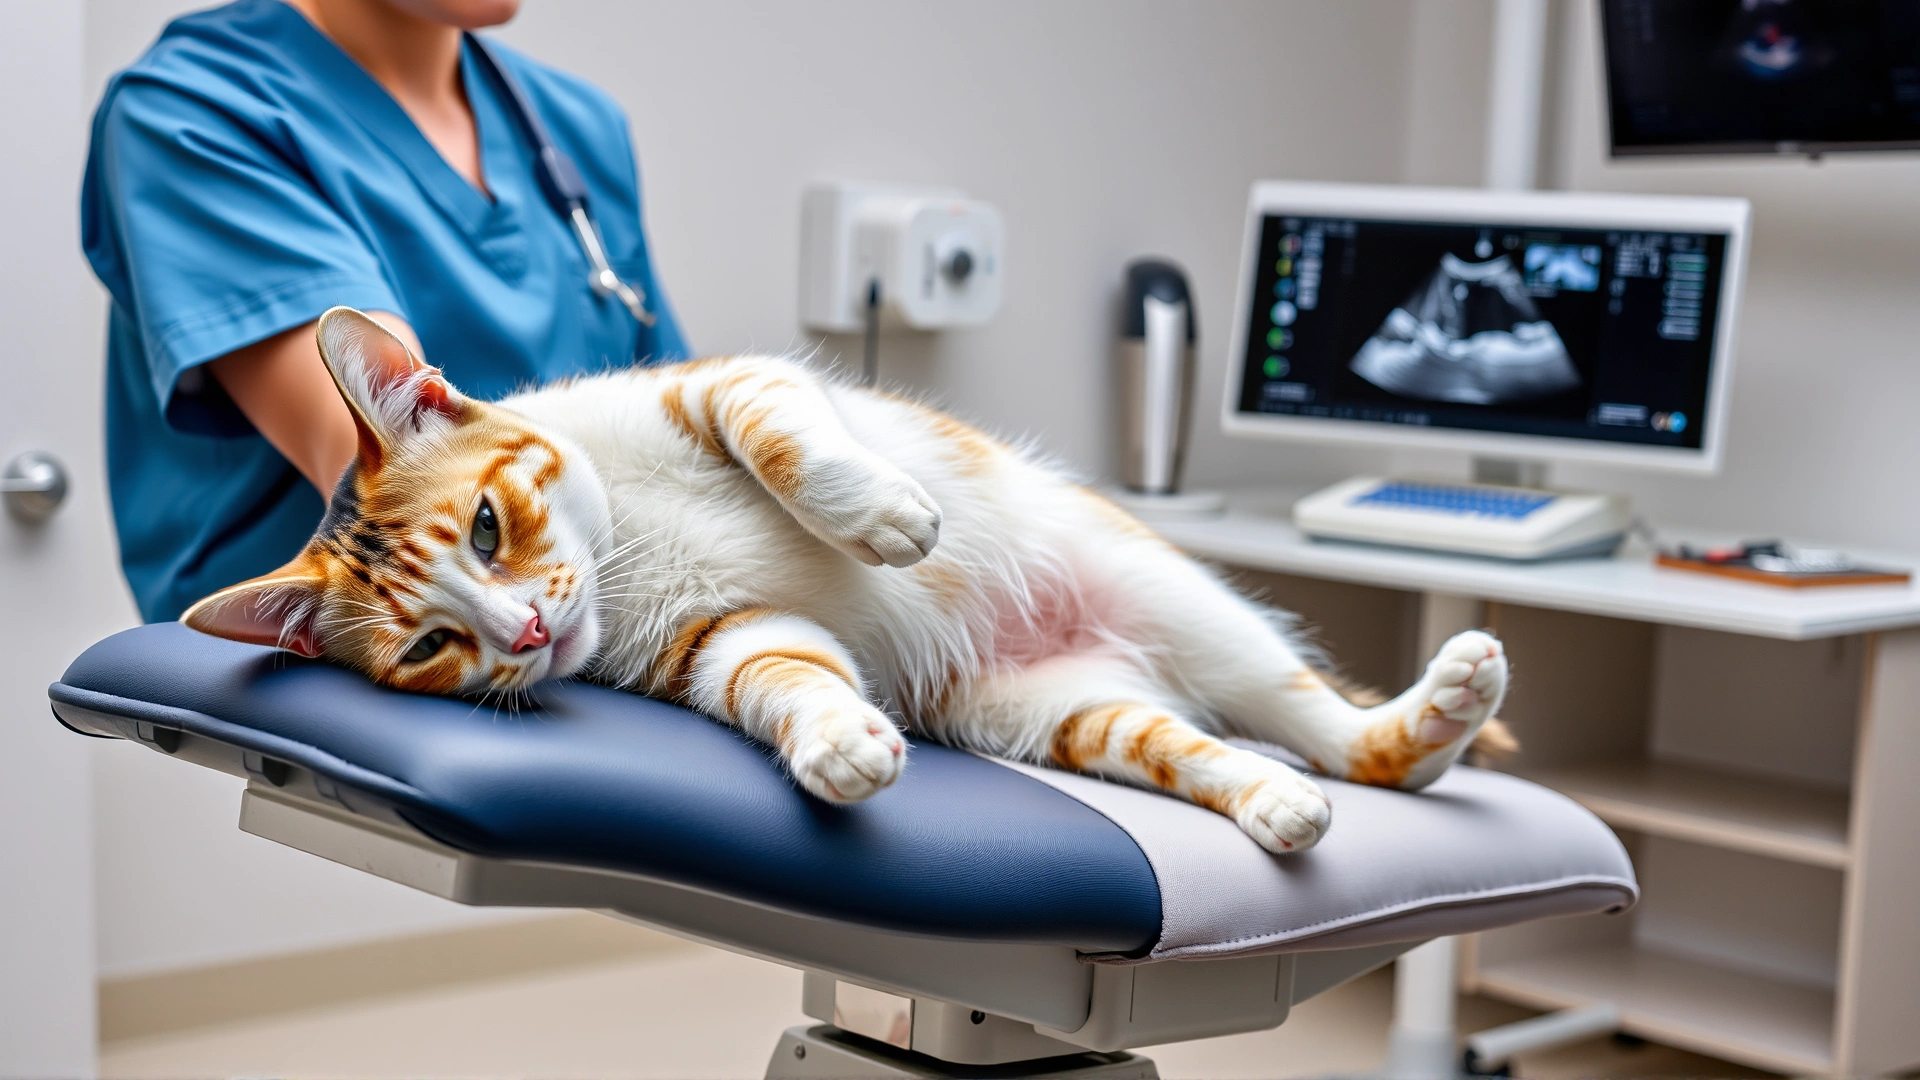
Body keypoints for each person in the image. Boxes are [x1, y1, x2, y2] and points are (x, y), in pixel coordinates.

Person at [82, 0, 688, 623]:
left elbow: (680, 450)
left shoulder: (580, 125)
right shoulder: (195, 113)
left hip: (618, 660)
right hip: (345, 693)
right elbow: (396, 486)